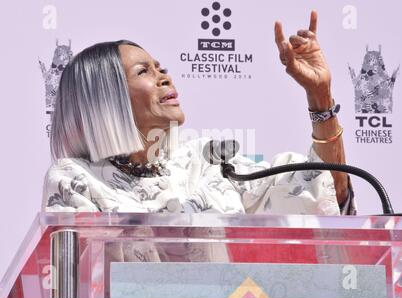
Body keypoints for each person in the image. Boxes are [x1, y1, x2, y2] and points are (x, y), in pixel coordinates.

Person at [42, 11, 356, 215]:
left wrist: (319, 96)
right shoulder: (76, 179)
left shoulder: (207, 163)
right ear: (105, 99)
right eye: (144, 71)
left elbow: (323, 192)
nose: (165, 76)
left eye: (161, 68)